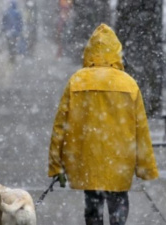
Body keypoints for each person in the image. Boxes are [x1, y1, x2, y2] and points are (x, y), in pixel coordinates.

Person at [48, 24, 159, 225]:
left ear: (89, 51)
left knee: (93, 204)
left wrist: (57, 165)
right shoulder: (128, 84)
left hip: (87, 158)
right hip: (120, 160)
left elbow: (60, 127)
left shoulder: (77, 81)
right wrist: (145, 168)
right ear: (116, 51)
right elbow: (140, 129)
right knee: (118, 203)